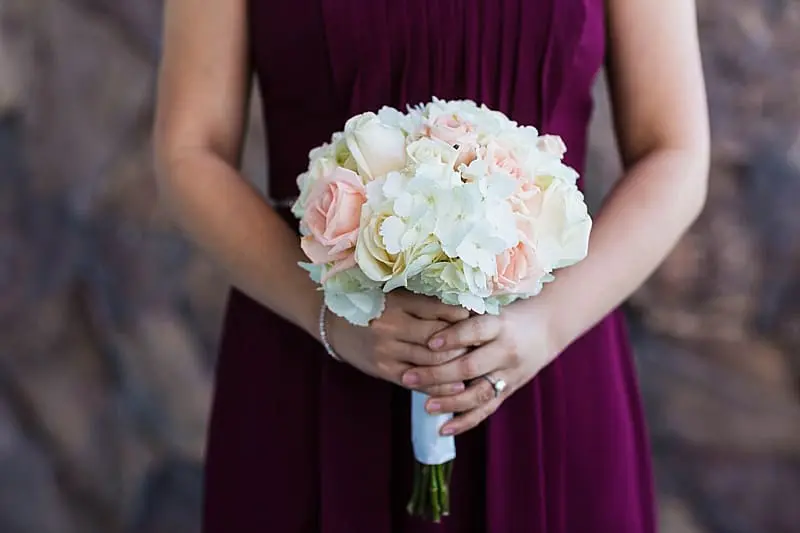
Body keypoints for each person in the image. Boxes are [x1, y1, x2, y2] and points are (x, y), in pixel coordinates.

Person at [153, 0, 709, 531]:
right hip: (310, 349)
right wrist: (329, 316)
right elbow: (190, 150)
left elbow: (675, 150)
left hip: (547, 358)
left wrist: (547, 325)